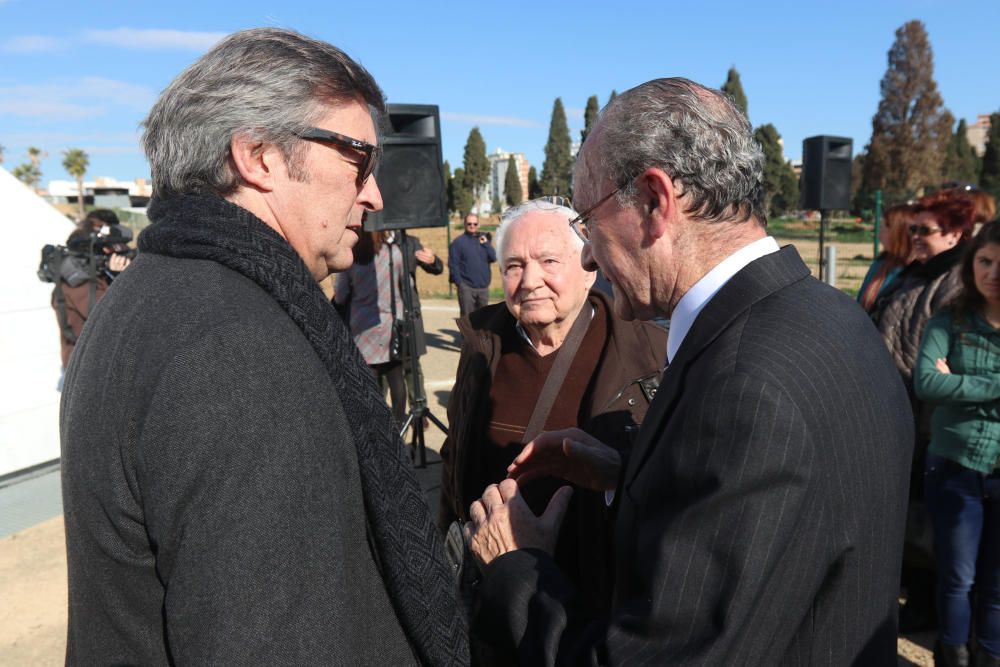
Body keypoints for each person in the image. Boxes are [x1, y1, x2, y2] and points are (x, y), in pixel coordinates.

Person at [464, 77, 913, 665]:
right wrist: (627, 476)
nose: (590, 256)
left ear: (654, 202)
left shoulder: (746, 389)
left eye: (587, 221)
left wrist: (516, 567)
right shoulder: (831, 315)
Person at [59, 28, 466, 666]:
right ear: (259, 156)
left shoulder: (148, 295)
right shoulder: (239, 349)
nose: (375, 195)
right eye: (358, 159)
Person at [438, 198, 666, 614]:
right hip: (496, 596)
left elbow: (671, 482)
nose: (530, 280)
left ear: (588, 268)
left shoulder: (650, 352)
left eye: (548, 260)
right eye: (513, 266)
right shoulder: (481, 346)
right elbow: (455, 456)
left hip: (600, 602)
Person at [872, 193, 977, 632]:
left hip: (927, 420)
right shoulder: (911, 274)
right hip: (894, 408)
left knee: (927, 519)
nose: (913, 237)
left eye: (925, 230)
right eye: (913, 228)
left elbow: (942, 359)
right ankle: (913, 595)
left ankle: (928, 607)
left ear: (955, 234)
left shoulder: (955, 284)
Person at [914, 219, 1000, 667]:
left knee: (996, 585)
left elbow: (946, 383)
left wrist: (962, 382)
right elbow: (927, 381)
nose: (993, 273)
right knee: (957, 577)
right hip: (956, 465)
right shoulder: (950, 320)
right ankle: (953, 655)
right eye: (985, 261)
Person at [336, 230, 408, 424]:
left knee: (370, 380)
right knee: (396, 376)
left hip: (362, 325)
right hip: (390, 323)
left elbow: (341, 295)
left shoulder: (351, 257)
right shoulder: (394, 253)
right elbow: (406, 284)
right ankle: (400, 424)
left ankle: (377, 425)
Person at [52, 210, 132, 372]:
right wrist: (121, 279)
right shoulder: (77, 279)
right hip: (84, 368)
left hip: (92, 363)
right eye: (108, 246)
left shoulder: (95, 272)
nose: (113, 251)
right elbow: (111, 317)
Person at [857, 204, 916, 313]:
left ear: (899, 232)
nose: (878, 234)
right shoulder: (880, 264)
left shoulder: (917, 272)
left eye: (882, 228)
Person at [448, 212, 496, 315]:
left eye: (475, 224)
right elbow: (453, 264)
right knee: (467, 320)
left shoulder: (483, 240)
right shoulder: (458, 243)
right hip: (467, 288)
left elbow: (493, 257)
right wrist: (460, 284)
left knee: (483, 320)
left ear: (478, 224)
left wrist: (486, 244)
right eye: (469, 224)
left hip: (483, 288)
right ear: (464, 224)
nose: (472, 226)